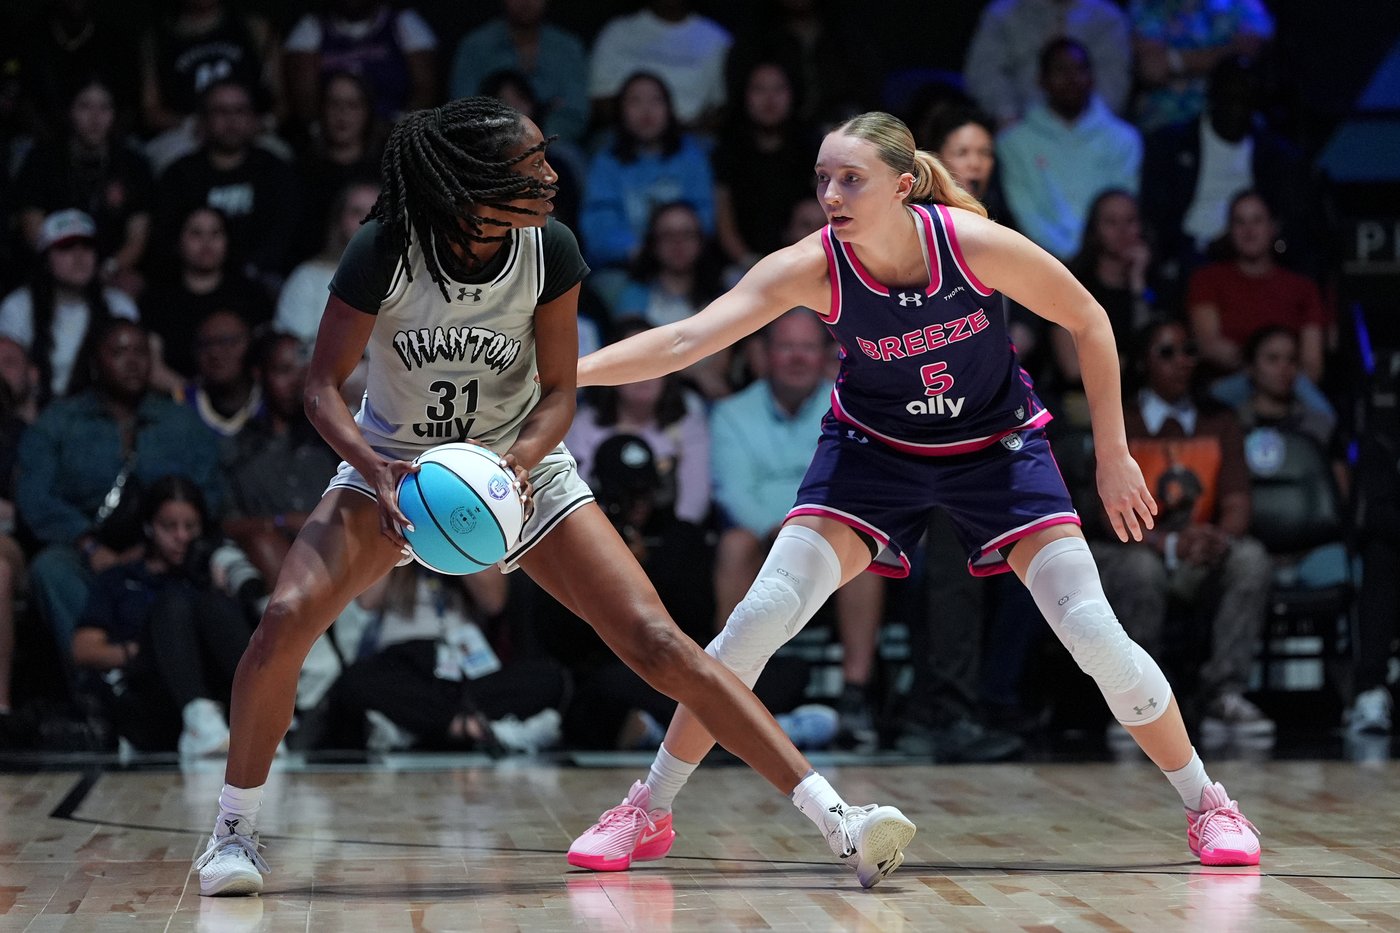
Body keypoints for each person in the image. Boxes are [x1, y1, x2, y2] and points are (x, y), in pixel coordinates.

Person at [192, 96, 915, 898]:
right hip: (395, 466)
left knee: (661, 644)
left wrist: (517, 465)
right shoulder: (385, 248)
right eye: (529, 164)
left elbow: (562, 391)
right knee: (286, 616)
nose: (550, 174)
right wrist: (373, 465)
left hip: (520, 469)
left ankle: (838, 818)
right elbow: (321, 389)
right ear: (472, 183)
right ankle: (233, 828)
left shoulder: (549, 249)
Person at [570, 111, 1261, 872]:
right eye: (823, 179)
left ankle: (1208, 803)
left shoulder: (968, 244)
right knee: (757, 618)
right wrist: (565, 374)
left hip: (997, 450)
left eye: (851, 179)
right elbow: (681, 341)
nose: (831, 193)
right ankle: (648, 807)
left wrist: (1112, 452)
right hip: (875, 452)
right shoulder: (816, 263)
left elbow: (1088, 319)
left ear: (904, 186)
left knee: (1094, 631)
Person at [1089, 320, 1274, 746]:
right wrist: (1168, 542)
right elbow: (1105, 513)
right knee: (1140, 569)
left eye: (1189, 350)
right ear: (1143, 362)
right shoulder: (1123, 419)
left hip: (1201, 548)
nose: (1181, 361)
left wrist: (1216, 538)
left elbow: (1237, 502)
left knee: (1250, 558)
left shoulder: (1219, 421)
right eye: (1167, 352)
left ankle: (1224, 695)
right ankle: (1139, 703)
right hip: (1136, 547)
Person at [71, 474, 258, 756]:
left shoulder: (209, 578)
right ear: (149, 527)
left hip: (222, 696)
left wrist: (226, 590)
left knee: (214, 604)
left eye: (190, 527)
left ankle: (257, 721)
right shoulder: (121, 578)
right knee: (173, 603)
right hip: (151, 698)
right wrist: (149, 651)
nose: (181, 536)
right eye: (169, 527)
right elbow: (83, 649)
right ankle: (198, 722)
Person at [996, 37, 1142, 261]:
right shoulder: (1014, 142)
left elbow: (1120, 211)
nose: (1071, 79)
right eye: (1060, 70)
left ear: (1092, 78)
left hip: (1107, 264)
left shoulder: (1124, 139)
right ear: (1041, 80)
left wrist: (1089, 259)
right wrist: (1069, 260)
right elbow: (1026, 212)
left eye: (1079, 69)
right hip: (1044, 263)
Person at [0, 209, 139, 402]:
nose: (79, 256)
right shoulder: (17, 307)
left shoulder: (119, 305)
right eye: (66, 247)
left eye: (87, 246)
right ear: (46, 259)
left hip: (101, 413)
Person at [964, 0, 1133, 126]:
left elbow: (1113, 82)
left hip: (1091, 133)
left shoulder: (1106, 17)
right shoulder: (1002, 13)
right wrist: (1009, 115)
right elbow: (984, 72)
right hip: (1019, 127)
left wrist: (1084, 127)